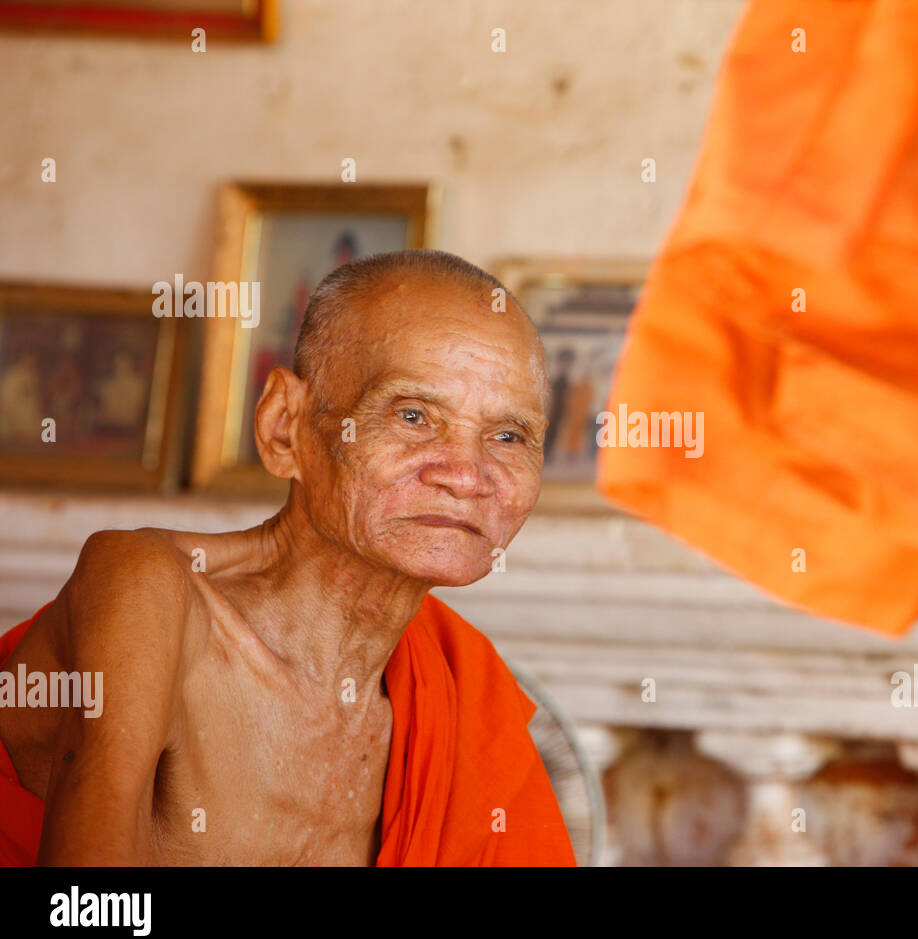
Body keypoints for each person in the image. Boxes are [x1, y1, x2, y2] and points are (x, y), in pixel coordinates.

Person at [0, 249, 576, 866]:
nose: (467, 475)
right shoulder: (146, 586)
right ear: (284, 428)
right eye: (412, 416)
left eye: (509, 436)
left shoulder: (462, 691)